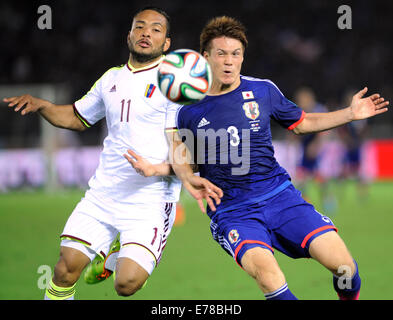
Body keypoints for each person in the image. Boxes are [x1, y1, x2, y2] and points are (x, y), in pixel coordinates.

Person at [125, 16, 389, 300]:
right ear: (205, 57)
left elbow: (301, 122)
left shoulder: (262, 90)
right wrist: (172, 172)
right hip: (233, 211)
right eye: (221, 53)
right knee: (269, 277)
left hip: (280, 196)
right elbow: (185, 158)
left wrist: (349, 114)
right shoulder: (186, 109)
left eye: (235, 54)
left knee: (345, 268)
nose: (229, 61)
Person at [3, 7, 221, 300]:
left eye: (156, 29)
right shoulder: (110, 80)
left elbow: (185, 145)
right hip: (105, 192)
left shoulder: (176, 82)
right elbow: (77, 118)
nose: (146, 33)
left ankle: (114, 258)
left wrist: (170, 171)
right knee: (65, 269)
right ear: (128, 35)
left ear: (166, 43)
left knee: (126, 284)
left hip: (151, 200)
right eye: (140, 27)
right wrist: (42, 105)